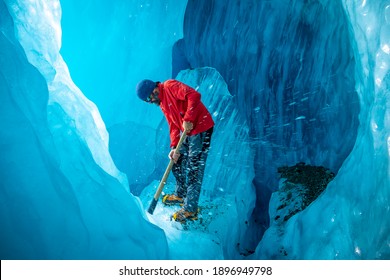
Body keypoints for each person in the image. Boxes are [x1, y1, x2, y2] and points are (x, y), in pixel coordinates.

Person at [136, 79, 214, 223]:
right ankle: (180, 193)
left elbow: (194, 95)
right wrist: (174, 147)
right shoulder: (162, 103)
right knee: (176, 161)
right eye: (147, 101)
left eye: (149, 98)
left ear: (153, 90)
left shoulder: (170, 86)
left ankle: (190, 209)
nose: (150, 101)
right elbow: (172, 125)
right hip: (188, 132)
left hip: (201, 128)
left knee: (193, 169)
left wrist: (189, 118)